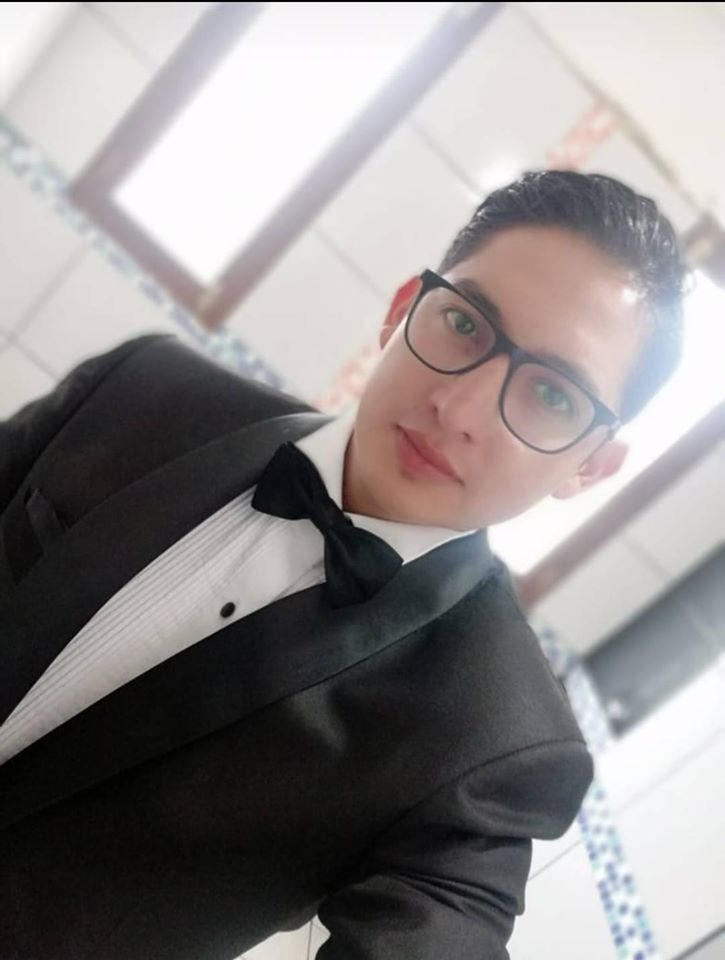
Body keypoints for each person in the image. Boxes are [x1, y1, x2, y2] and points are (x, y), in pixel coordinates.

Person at [0, 170, 685, 959]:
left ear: (589, 466)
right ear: (402, 310)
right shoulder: (143, 390)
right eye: (463, 324)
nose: (458, 409)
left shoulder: (496, 744)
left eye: (552, 396)